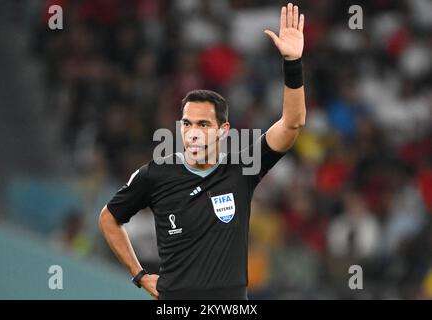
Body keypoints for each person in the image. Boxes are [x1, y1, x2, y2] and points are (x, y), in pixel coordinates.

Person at [98, 3, 306, 300]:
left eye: (204, 124)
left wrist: (293, 63)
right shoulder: (157, 174)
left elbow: (292, 124)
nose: (193, 131)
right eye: (187, 123)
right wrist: (140, 275)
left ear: (223, 130)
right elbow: (109, 218)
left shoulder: (241, 169)